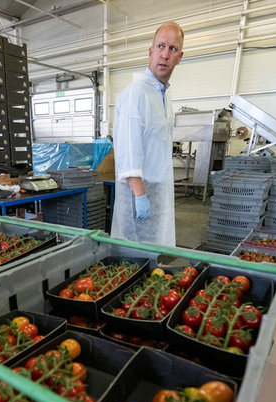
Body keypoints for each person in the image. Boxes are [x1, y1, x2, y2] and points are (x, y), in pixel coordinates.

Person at [110, 21, 184, 246]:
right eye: (161, 47)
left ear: (179, 57)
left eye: (172, 49)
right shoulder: (136, 94)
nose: (165, 55)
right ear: (150, 52)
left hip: (159, 191)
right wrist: (141, 196)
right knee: (134, 260)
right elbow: (129, 149)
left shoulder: (163, 96)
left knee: (156, 259)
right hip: (138, 194)